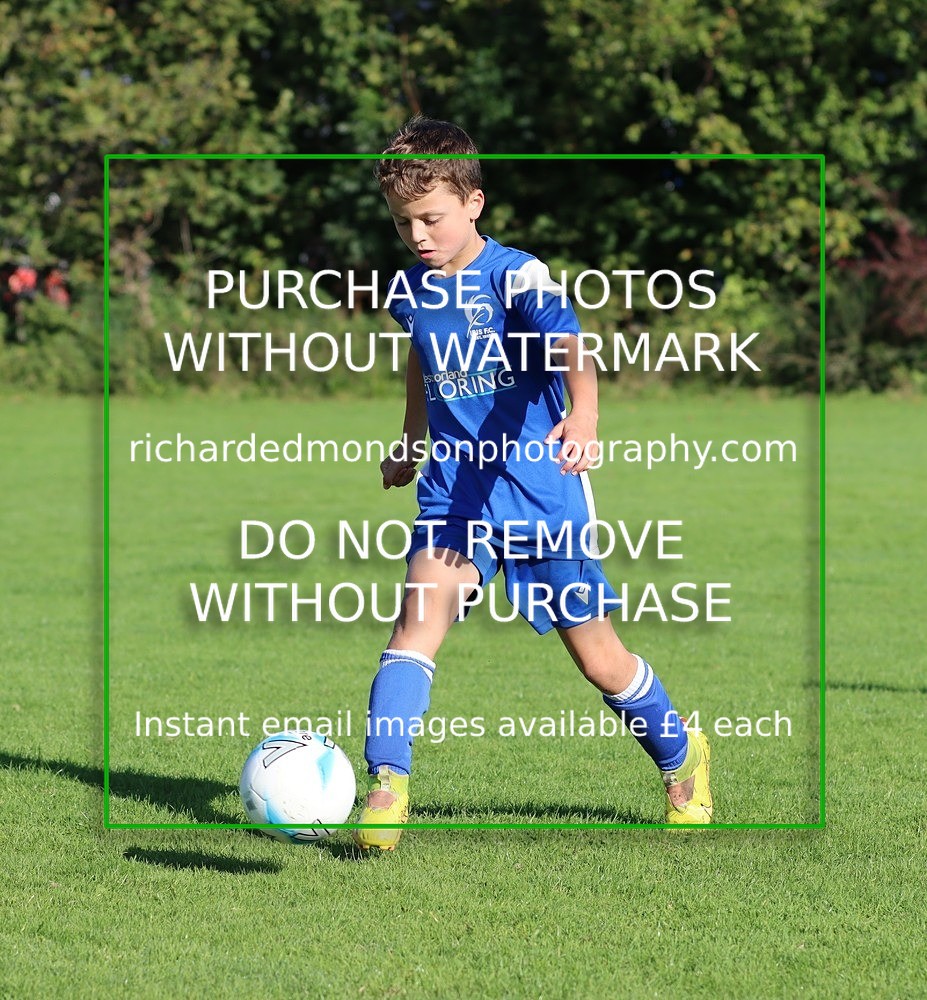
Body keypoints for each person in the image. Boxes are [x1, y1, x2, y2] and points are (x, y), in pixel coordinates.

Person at [353, 117, 712, 851]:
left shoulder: (516, 274)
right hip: (455, 496)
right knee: (413, 632)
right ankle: (386, 786)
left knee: (600, 661)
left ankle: (682, 759)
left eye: (431, 217)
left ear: (473, 203)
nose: (417, 235)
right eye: (402, 222)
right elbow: (421, 360)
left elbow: (569, 344)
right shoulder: (411, 289)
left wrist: (583, 415)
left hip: (541, 495)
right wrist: (410, 440)